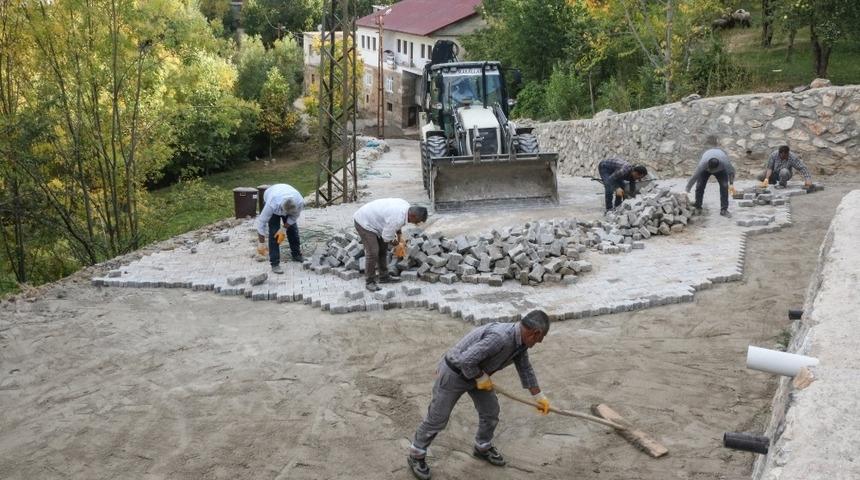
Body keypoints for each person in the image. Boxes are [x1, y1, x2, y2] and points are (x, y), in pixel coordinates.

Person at [407, 310, 552, 480]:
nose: (536, 344)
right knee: (438, 418)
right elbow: (466, 361)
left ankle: (482, 446)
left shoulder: (520, 342)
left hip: (478, 375)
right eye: (538, 340)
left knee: (490, 411)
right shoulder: (501, 338)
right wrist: (481, 377)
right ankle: (416, 454)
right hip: (454, 373)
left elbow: (525, 368)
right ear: (535, 333)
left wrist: (539, 397)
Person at [353, 198, 428, 292]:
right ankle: (369, 281)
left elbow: (397, 225)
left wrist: (399, 236)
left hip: (376, 220)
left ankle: (384, 277)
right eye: (417, 221)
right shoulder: (397, 217)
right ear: (412, 215)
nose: (417, 223)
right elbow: (386, 237)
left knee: (383, 250)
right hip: (364, 222)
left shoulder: (406, 207)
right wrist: (397, 245)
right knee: (373, 252)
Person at [256, 183, 304, 274]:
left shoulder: (299, 202)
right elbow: (261, 223)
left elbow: (293, 218)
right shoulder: (271, 204)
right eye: (285, 213)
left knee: (293, 231)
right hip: (271, 195)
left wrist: (284, 229)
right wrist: (261, 243)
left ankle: (296, 254)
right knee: (274, 234)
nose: (285, 216)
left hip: (286, 193)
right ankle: (275, 264)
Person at [685, 148, 735, 218]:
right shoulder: (703, 164)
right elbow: (694, 177)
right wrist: (687, 189)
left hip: (721, 171)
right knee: (699, 185)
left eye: (713, 170)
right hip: (705, 170)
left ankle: (724, 210)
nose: (712, 171)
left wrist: (731, 184)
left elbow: (731, 172)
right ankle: (698, 205)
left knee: (724, 186)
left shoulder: (725, 162)